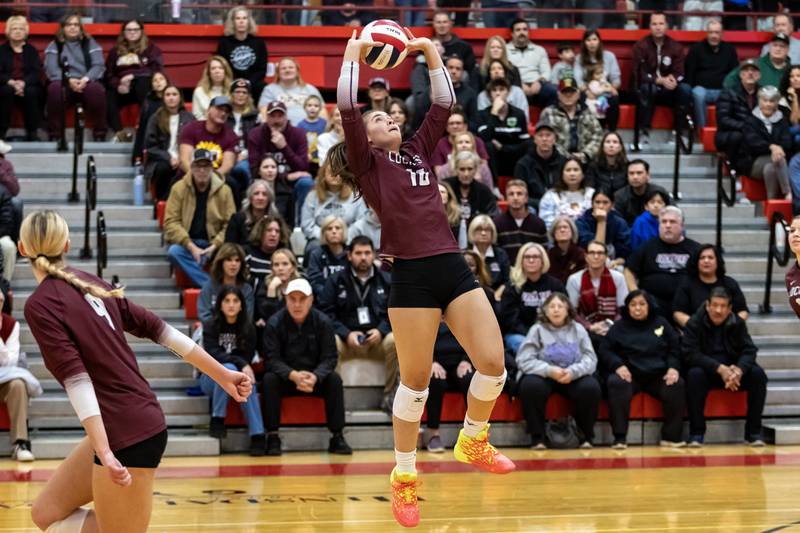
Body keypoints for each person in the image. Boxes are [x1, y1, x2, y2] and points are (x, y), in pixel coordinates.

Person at [335, 29, 515, 528]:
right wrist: (352, 55)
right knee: (415, 385)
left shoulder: (416, 150)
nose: (388, 116)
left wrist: (430, 52)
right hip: (410, 276)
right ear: (366, 138)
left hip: (451, 264)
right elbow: (348, 107)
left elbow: (443, 103)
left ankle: (473, 438)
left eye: (389, 113)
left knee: (494, 365)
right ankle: (405, 478)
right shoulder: (366, 164)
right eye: (378, 117)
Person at [21, 210, 251, 533]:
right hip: (119, 428)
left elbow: (77, 380)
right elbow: (164, 332)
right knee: (45, 513)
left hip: (129, 434)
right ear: (68, 245)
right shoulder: (87, 284)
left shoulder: (43, 303)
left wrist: (104, 449)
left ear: (21, 248)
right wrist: (221, 374)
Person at [262, 278, 353, 456]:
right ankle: (272, 436)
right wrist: (293, 375)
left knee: (334, 380)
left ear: (311, 300)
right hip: (287, 379)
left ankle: (337, 436)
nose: (297, 304)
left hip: (313, 380)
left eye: (302, 299)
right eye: (292, 299)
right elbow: (271, 359)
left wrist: (316, 376)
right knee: (268, 380)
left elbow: (330, 357)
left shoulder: (323, 322)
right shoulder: (274, 323)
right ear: (285, 299)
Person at [318, 235, 398, 411]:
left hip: (377, 340)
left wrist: (382, 330)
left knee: (395, 341)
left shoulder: (386, 280)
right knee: (332, 341)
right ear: (349, 255)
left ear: (374, 255)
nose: (363, 257)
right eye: (358, 253)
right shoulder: (336, 280)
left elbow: (396, 312)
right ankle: (337, 401)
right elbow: (325, 313)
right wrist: (346, 334)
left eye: (367, 253)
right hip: (347, 341)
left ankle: (389, 397)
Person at [599, 290, 685, 449]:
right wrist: (618, 365)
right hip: (630, 375)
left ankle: (671, 437)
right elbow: (605, 350)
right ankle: (619, 437)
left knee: (676, 384)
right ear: (627, 307)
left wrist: (673, 367)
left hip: (658, 374)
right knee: (615, 383)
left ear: (649, 306)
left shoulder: (661, 323)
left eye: (642, 304)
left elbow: (675, 348)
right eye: (633, 304)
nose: (637, 308)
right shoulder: (618, 327)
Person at [683, 287, 768, 447]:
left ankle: (753, 433)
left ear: (729, 309)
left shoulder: (737, 322)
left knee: (758, 375)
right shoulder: (694, 323)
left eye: (723, 306)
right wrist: (719, 368)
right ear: (707, 305)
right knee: (694, 375)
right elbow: (690, 354)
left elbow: (749, 350)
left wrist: (739, 370)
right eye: (714, 305)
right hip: (708, 371)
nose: (718, 310)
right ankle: (697, 433)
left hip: (732, 373)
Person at [515, 292, 601, 449]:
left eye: (560, 306)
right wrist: (548, 370)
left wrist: (573, 372)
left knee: (590, 387)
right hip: (545, 374)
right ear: (545, 311)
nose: (556, 310)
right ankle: (537, 437)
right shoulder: (537, 329)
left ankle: (585, 437)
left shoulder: (579, 329)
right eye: (552, 306)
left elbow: (590, 358)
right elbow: (523, 359)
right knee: (531, 386)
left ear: (568, 309)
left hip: (572, 374)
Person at [200, 285, 263, 455]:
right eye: (227, 301)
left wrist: (241, 365)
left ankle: (257, 436)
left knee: (246, 381)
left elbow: (247, 357)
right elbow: (213, 357)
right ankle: (217, 418)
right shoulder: (210, 325)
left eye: (235, 301)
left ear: (242, 305)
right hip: (209, 379)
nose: (231, 305)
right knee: (227, 368)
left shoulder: (249, 329)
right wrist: (239, 363)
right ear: (220, 304)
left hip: (237, 378)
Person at [164, 149, 236, 288]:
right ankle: (213, 288)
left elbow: (230, 223)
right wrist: (191, 246)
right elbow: (171, 222)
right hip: (188, 244)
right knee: (173, 251)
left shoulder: (225, 190)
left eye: (206, 166)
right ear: (191, 167)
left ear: (212, 168)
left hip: (214, 244)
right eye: (198, 166)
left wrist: (215, 245)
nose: (202, 170)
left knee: (232, 253)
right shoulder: (178, 188)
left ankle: (210, 287)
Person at [624, 206, 702, 320]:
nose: (668, 225)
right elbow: (629, 270)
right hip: (654, 305)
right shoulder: (647, 247)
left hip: (687, 304)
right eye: (664, 222)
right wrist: (636, 294)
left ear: (682, 225)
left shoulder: (695, 249)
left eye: (672, 222)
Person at [43, 13, 107, 142]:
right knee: (54, 90)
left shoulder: (90, 43)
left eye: (76, 25)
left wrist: (85, 79)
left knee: (97, 91)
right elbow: (51, 68)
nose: (72, 28)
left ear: (80, 27)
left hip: (86, 81)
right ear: (63, 28)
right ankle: (55, 134)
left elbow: (98, 65)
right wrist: (68, 80)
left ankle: (100, 134)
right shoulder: (55, 44)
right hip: (64, 81)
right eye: (69, 25)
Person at [631, 12, 692, 146]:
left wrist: (673, 79)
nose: (658, 27)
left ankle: (679, 132)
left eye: (661, 24)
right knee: (647, 89)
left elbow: (680, 72)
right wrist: (659, 80)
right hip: (649, 88)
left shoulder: (676, 47)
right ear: (649, 26)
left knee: (685, 89)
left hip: (668, 90)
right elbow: (639, 74)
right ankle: (644, 131)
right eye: (654, 24)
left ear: (667, 26)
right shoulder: (640, 46)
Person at [247, 100, 313, 223]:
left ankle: (301, 223)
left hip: (291, 183)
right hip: (266, 179)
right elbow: (254, 170)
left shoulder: (298, 133)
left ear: (286, 117)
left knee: (306, 182)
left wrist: (284, 147)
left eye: (280, 116)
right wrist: (286, 176)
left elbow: (304, 167)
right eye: (272, 116)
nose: (276, 120)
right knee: (242, 170)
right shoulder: (256, 134)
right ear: (266, 117)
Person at [499, 242, 566, 356]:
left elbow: (565, 311)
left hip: (553, 332)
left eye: (535, 257)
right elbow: (510, 320)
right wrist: (534, 335)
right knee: (525, 345)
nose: (531, 260)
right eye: (527, 257)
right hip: (520, 335)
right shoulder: (512, 288)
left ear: (543, 260)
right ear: (521, 260)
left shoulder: (555, 285)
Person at [104, 19, 163, 140]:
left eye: (136, 30)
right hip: (123, 89)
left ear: (141, 31)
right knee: (108, 95)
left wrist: (133, 76)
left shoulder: (151, 49)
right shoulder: (115, 52)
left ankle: (147, 130)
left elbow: (155, 70)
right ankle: (119, 133)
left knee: (142, 82)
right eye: (129, 30)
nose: (132, 32)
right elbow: (109, 75)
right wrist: (118, 84)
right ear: (124, 32)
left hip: (143, 88)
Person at [0, 289, 40, 462]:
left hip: (3, 378)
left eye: (0, 301)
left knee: (17, 384)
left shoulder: (11, 325)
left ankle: (20, 443)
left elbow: (10, 361)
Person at [423, 320, 474, 452]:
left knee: (470, 379)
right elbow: (421, 342)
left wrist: (466, 360)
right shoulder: (428, 315)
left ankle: (473, 436)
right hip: (437, 363)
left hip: (459, 363)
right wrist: (432, 362)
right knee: (435, 379)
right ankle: (433, 435)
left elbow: (473, 339)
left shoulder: (462, 313)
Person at [301, 158, 367, 256]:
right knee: (313, 248)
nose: (336, 175)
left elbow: (362, 222)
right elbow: (307, 225)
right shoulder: (312, 196)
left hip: (348, 239)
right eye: (332, 172)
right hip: (319, 241)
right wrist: (327, 237)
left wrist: (343, 236)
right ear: (323, 174)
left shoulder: (355, 195)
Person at [566, 240, 628, 344]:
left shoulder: (618, 278)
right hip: (584, 331)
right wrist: (590, 326)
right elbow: (573, 312)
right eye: (592, 253)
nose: (596, 256)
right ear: (586, 256)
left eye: (600, 253)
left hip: (614, 328)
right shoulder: (574, 279)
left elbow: (622, 309)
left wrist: (610, 325)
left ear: (605, 257)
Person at [673, 244, 749, 328]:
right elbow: (678, 313)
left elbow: (743, 311)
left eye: (710, 257)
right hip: (697, 334)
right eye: (702, 258)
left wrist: (731, 326)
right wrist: (695, 327)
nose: (706, 261)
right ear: (696, 262)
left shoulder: (730, 283)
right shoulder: (687, 284)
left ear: (717, 261)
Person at [143, 84, 194, 201]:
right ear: (163, 98)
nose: (171, 98)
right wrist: (169, 157)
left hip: (185, 158)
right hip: (161, 159)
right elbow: (150, 146)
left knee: (187, 170)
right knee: (164, 168)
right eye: (168, 95)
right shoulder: (155, 118)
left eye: (174, 94)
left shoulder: (189, 118)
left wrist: (182, 158)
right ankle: (162, 202)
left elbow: (194, 141)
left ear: (180, 97)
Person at [685, 20, 739, 130]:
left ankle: (725, 130)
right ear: (706, 33)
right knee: (698, 94)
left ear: (721, 34)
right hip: (702, 89)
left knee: (732, 94)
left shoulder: (730, 49)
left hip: (722, 90)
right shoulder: (696, 49)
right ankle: (702, 131)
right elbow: (689, 72)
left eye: (717, 32)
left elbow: (735, 73)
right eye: (711, 32)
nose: (714, 36)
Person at [741, 85, 793, 201]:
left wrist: (777, 148)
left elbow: (787, 141)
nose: (768, 104)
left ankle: (771, 200)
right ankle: (788, 192)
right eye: (765, 101)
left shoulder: (782, 120)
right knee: (779, 158)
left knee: (770, 168)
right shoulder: (751, 120)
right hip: (754, 162)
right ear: (759, 102)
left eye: (772, 101)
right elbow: (752, 142)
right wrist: (772, 147)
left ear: (776, 103)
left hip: (775, 161)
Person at [539, 78, 603, 165]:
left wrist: (585, 154)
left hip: (585, 161)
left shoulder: (588, 112)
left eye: (572, 92)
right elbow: (544, 138)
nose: (568, 95)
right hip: (556, 162)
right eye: (564, 92)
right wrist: (568, 157)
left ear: (578, 94)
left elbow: (598, 135)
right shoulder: (548, 113)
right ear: (558, 94)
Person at [476, 78, 532, 177]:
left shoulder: (518, 114)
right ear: (490, 94)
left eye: (501, 89)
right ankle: (495, 187)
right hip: (494, 158)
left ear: (508, 92)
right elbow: (484, 139)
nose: (498, 93)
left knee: (530, 144)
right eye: (494, 90)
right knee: (489, 146)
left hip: (514, 155)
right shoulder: (482, 114)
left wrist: (503, 148)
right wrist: (494, 113)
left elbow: (524, 144)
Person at [0, 16, 43, 142]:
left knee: (31, 93)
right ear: (8, 31)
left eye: (21, 29)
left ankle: (32, 132)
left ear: (26, 31)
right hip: (6, 84)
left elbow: (36, 72)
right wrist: (12, 83)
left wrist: (23, 83)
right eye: (14, 29)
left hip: (27, 85)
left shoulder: (31, 50)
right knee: (5, 91)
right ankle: (1, 132)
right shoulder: (1, 50)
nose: (18, 31)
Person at [716, 59, 761, 175]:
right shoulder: (729, 92)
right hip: (730, 133)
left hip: (755, 131)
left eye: (753, 70)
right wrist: (745, 126)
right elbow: (723, 120)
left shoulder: (763, 93)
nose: (750, 73)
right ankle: (734, 172)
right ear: (741, 74)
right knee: (739, 137)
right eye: (746, 70)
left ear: (759, 75)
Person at [178, 96, 238, 179]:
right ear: (209, 109)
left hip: (216, 177)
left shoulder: (231, 135)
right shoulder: (191, 128)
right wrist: (197, 178)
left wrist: (209, 180)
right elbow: (184, 160)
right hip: (189, 175)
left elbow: (227, 165)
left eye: (226, 111)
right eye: (219, 109)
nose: (223, 113)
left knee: (232, 183)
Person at [216, 7, 267, 101]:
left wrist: (248, 82)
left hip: (253, 84)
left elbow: (262, 69)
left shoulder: (258, 42)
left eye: (244, 18)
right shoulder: (224, 42)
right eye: (238, 18)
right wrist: (236, 82)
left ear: (249, 21)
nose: (241, 21)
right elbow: (222, 66)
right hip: (230, 82)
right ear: (233, 22)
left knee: (263, 87)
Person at [574, 29, 621, 131]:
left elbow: (616, 78)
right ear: (584, 43)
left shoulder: (609, 56)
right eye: (588, 40)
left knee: (614, 98)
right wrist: (587, 91)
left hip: (605, 89)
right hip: (588, 90)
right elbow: (578, 80)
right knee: (583, 98)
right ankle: (588, 132)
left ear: (599, 41)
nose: (592, 43)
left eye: (594, 39)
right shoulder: (579, 58)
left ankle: (612, 132)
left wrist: (611, 88)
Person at [514, 120, 566, 210]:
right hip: (533, 206)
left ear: (554, 139)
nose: (544, 139)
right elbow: (520, 193)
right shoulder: (523, 164)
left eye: (548, 135)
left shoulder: (564, 162)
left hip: (560, 205)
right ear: (535, 139)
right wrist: (543, 204)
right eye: (540, 135)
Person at [258, 57, 325, 127]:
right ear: (278, 73)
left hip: (309, 131)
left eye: (291, 67)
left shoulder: (310, 89)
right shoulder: (270, 90)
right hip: (282, 130)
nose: (287, 70)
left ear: (297, 71)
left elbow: (322, 112)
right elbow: (264, 113)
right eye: (283, 68)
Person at [197, 242, 254, 323]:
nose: (233, 264)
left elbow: (247, 318)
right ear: (221, 263)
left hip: (239, 332)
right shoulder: (209, 287)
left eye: (237, 260)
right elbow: (204, 315)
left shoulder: (246, 289)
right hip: (212, 331)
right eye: (229, 260)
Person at [493, 179, 547, 263]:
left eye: (519, 194)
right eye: (511, 194)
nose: (515, 198)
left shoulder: (538, 223)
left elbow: (544, 254)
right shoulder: (497, 223)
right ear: (506, 198)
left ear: (526, 198)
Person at [506, 19, 557, 108]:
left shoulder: (539, 50)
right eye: (518, 30)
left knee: (553, 91)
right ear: (512, 34)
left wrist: (539, 82)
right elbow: (505, 72)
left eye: (525, 29)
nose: (522, 32)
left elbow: (546, 72)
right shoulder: (505, 50)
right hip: (516, 85)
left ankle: (550, 119)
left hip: (537, 85)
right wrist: (519, 84)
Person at [538, 157, 595, 230]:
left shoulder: (591, 194)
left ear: (583, 174)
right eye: (568, 170)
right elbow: (546, 223)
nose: (572, 174)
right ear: (562, 174)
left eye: (576, 170)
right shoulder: (551, 196)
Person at [576, 189, 632, 264]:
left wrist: (618, 261)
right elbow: (595, 250)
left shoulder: (619, 222)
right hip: (587, 262)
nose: (601, 206)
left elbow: (625, 250)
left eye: (605, 203)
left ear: (612, 205)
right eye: (597, 202)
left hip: (614, 262)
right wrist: (601, 221)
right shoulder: (582, 222)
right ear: (592, 204)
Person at [444, 151, 499, 223]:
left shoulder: (484, 191)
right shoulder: (446, 187)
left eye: (470, 169)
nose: (466, 174)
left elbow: (492, 216)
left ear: (476, 169)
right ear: (456, 169)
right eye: (462, 169)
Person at [614, 159, 670, 226]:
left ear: (648, 175)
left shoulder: (659, 192)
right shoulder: (620, 196)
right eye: (631, 173)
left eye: (639, 173)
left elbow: (674, 213)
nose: (635, 177)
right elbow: (617, 224)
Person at [256, 248, 301, 330]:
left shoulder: (301, 286)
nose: (280, 268)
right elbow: (269, 319)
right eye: (276, 265)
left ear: (293, 267)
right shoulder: (265, 286)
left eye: (285, 264)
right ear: (272, 269)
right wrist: (272, 289)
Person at [725, 33, 790, 90]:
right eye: (775, 45)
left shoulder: (792, 69)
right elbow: (729, 80)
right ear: (769, 47)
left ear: (788, 50)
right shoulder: (755, 64)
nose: (778, 49)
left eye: (782, 46)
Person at [225, 179, 279, 247]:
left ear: (269, 199)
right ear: (250, 198)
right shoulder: (237, 219)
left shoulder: (276, 220)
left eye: (264, 194)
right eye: (256, 194)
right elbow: (229, 246)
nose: (260, 198)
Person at [244, 214, 290, 292]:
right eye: (269, 230)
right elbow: (244, 282)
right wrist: (270, 286)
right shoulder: (248, 254)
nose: (273, 234)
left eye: (277, 231)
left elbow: (300, 276)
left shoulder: (285, 254)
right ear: (260, 232)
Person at [132, 71, 169, 164]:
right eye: (155, 80)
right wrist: (137, 154)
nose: (158, 82)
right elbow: (142, 129)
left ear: (167, 81)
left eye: (161, 79)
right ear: (152, 85)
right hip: (152, 142)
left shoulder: (173, 99)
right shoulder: (148, 103)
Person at [306, 215, 349, 295]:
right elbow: (315, 282)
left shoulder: (351, 253)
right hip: (324, 301)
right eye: (329, 229)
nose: (334, 231)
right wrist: (330, 295)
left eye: (337, 228)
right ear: (324, 233)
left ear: (343, 231)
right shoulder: (316, 255)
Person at [468, 215, 510, 293]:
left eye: (487, 230)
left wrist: (498, 294)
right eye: (479, 229)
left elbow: (507, 280)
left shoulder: (500, 254)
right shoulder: (466, 254)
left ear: (492, 233)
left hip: (495, 298)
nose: (483, 233)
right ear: (472, 232)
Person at [191, 55, 233, 121]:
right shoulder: (199, 91)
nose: (217, 71)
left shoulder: (233, 90)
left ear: (225, 71)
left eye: (221, 68)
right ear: (209, 73)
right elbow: (197, 115)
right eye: (213, 68)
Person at [586, 131, 628, 196]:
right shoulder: (593, 166)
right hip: (600, 202)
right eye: (608, 142)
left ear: (620, 147)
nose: (611, 145)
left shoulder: (627, 166)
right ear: (602, 147)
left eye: (615, 142)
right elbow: (590, 188)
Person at [445, 56, 479, 128]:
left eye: (458, 69)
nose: (454, 71)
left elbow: (474, 122)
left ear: (463, 72)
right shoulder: (434, 91)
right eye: (450, 68)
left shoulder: (470, 94)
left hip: (463, 135)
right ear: (445, 70)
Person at [297, 94, 327, 174]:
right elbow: (298, 143)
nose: (312, 108)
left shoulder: (324, 124)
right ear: (304, 107)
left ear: (320, 108)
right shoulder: (300, 125)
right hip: (306, 160)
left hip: (321, 160)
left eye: (316, 106)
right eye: (309, 105)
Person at [630, 188, 668, 252]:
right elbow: (635, 246)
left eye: (660, 202)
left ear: (665, 206)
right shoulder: (640, 222)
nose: (656, 205)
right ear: (646, 207)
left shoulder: (671, 220)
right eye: (652, 202)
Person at [439, 181, 466, 247]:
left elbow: (462, 243)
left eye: (442, 192)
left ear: (449, 196)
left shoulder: (458, 217)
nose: (439, 194)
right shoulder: (426, 215)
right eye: (436, 191)